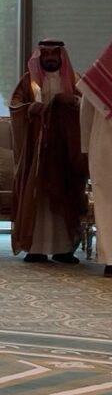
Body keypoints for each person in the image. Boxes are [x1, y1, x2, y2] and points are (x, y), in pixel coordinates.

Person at [10, 40, 88, 263]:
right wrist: (30, 108)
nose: (51, 57)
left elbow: (87, 104)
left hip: (64, 153)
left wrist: (73, 101)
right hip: (37, 152)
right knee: (38, 196)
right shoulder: (29, 81)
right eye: (46, 54)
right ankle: (36, 248)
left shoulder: (74, 80)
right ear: (40, 56)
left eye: (55, 53)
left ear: (61, 56)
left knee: (64, 196)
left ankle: (64, 249)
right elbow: (15, 104)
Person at [79, 38, 112, 277]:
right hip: (103, 148)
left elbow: (85, 114)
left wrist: (85, 148)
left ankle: (111, 259)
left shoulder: (98, 77)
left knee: (106, 203)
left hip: (103, 149)